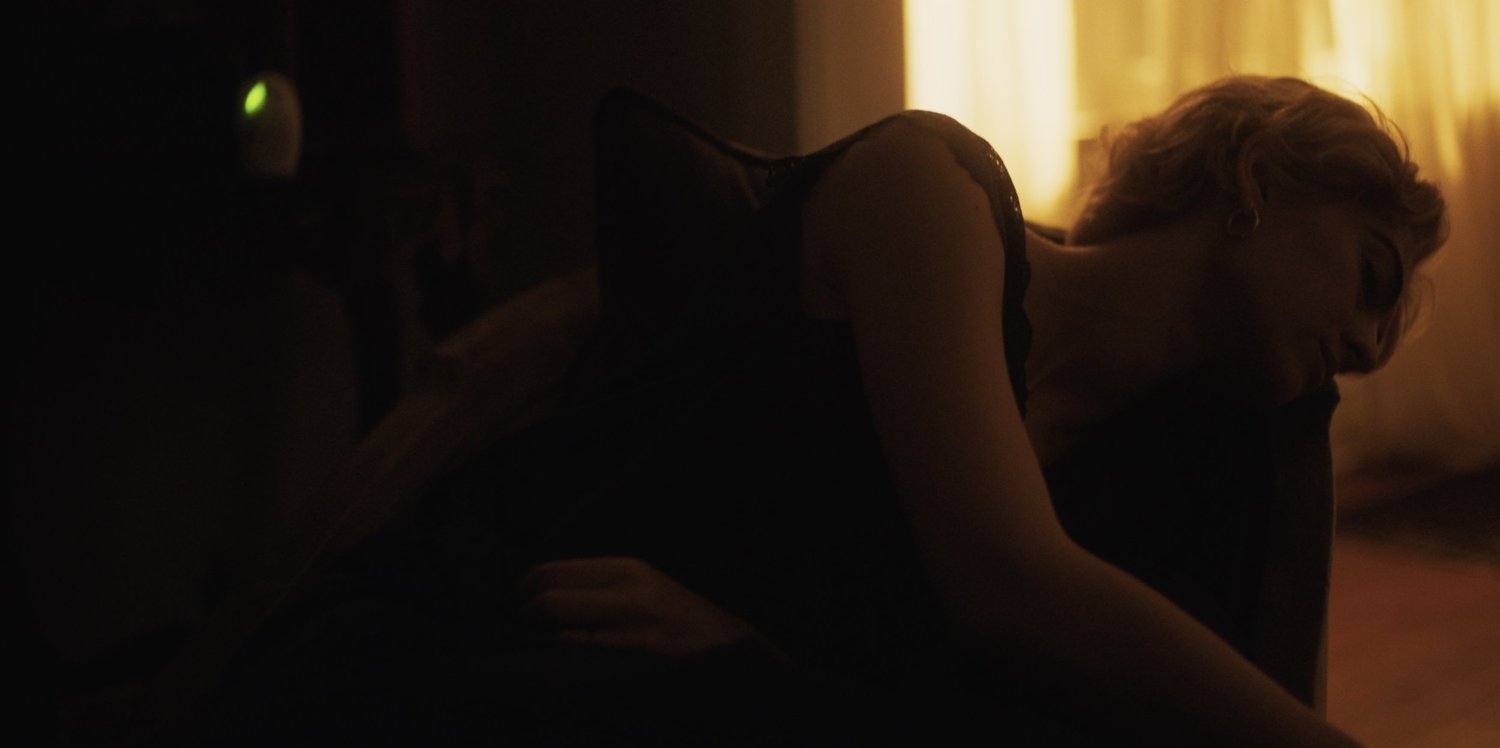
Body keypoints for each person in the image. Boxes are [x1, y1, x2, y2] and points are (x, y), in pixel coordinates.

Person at [205, 76, 1446, 745]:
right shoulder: (932, 190)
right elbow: (1006, 585)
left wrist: (759, 672)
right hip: (515, 640)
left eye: (1380, 344)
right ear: (1257, 176)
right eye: (1372, 277)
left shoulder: (1169, 471)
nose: (1362, 346)